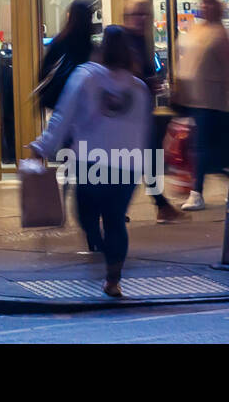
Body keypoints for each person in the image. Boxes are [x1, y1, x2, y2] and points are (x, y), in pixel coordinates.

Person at [30, 25, 152, 298]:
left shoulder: (85, 76)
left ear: (101, 48)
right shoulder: (140, 89)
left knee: (85, 212)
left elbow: (64, 115)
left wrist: (43, 146)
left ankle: (98, 244)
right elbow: (144, 131)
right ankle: (113, 278)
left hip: (91, 162)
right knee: (115, 220)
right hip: (127, 165)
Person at [121, 0, 182, 224]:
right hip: (130, 114)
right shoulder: (124, 42)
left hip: (140, 112)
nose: (143, 19)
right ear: (127, 17)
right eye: (138, 14)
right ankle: (159, 205)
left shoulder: (141, 42)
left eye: (146, 14)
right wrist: (147, 82)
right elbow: (123, 76)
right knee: (141, 162)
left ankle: (159, 205)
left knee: (145, 161)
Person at [176, 0, 229, 212]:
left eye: (210, 2)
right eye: (203, 2)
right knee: (203, 149)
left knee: (201, 148)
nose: (206, 6)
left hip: (210, 101)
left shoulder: (219, 34)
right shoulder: (197, 29)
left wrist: (228, 92)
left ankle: (197, 192)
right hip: (192, 98)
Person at [37, 0, 94, 116]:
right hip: (85, 105)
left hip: (61, 101)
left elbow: (44, 71)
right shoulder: (90, 45)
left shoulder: (60, 41)